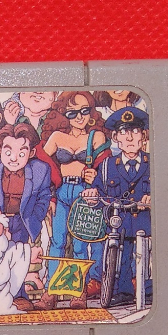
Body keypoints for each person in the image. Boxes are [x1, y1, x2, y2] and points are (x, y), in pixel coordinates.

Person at [39, 91, 112, 310]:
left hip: (84, 194)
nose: (79, 117)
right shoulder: (57, 137)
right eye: (73, 112)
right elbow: (42, 164)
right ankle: (51, 291)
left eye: (84, 111)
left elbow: (106, 168)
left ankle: (78, 291)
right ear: (64, 114)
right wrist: (51, 193)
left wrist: (94, 177)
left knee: (81, 244)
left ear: (91, 113)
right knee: (57, 242)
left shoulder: (96, 137)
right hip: (62, 192)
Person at [0, 122, 53, 312]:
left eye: (21, 153)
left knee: (19, 258)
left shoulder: (41, 170)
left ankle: (19, 296)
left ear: (31, 153)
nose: (14, 158)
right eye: (8, 152)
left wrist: (35, 217)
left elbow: (44, 197)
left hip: (22, 220)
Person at [82, 106, 152, 304]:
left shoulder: (153, 163)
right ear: (115, 138)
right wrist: (92, 195)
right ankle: (123, 292)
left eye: (135, 131)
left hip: (146, 223)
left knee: (149, 256)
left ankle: (149, 290)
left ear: (143, 136)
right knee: (120, 254)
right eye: (123, 132)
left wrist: (152, 198)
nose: (129, 137)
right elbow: (98, 193)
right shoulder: (107, 166)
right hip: (120, 223)